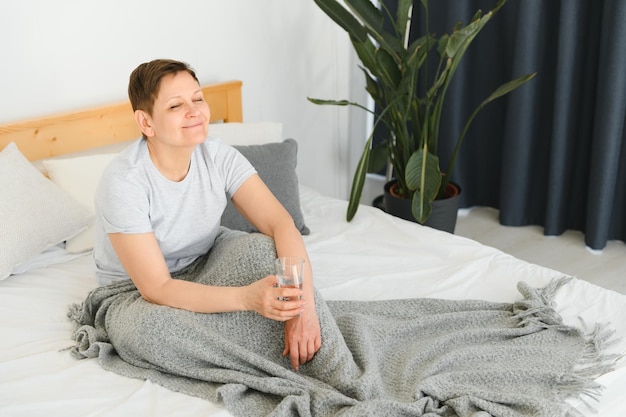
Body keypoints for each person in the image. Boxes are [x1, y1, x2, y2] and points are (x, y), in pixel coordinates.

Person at [93, 58, 321, 371]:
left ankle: (293, 337)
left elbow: (280, 223)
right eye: (176, 106)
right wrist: (246, 299)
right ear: (146, 123)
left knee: (267, 253)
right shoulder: (124, 182)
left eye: (198, 98)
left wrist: (303, 310)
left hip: (205, 261)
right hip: (134, 292)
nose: (194, 111)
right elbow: (157, 288)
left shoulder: (218, 156)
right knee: (152, 332)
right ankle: (260, 353)